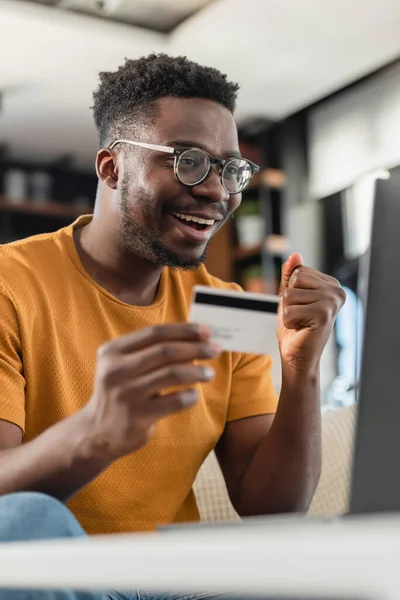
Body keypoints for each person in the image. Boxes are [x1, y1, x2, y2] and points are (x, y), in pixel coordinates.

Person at [0, 54, 345, 599]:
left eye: (230, 168)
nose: (215, 191)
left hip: (175, 581)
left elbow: (272, 510)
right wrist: (95, 433)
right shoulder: (9, 284)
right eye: (187, 161)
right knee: (22, 520)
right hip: (54, 571)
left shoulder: (224, 307)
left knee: (327, 562)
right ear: (111, 168)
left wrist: (301, 371)